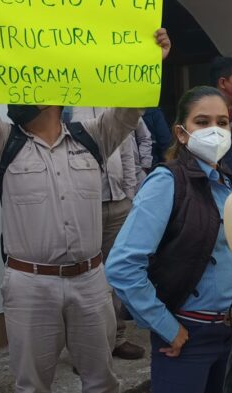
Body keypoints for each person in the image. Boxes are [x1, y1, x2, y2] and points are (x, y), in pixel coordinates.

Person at [0, 7, 171, 393]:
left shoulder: (92, 137)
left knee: (101, 377)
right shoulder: (1, 144)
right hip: (30, 285)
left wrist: (150, 60)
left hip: (90, 280)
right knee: (32, 386)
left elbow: (130, 109)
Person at [106, 86, 232, 393]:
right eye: (202, 122)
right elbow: (123, 265)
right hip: (188, 338)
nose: (214, 131)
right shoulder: (167, 182)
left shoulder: (229, 183)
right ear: (181, 133)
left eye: (222, 122)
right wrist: (165, 326)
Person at [63, 108, 146, 360]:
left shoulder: (113, 109)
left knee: (116, 273)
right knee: (83, 278)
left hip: (119, 203)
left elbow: (127, 152)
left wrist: (129, 195)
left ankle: (116, 337)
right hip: (84, 206)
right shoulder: (67, 110)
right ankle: (83, 348)